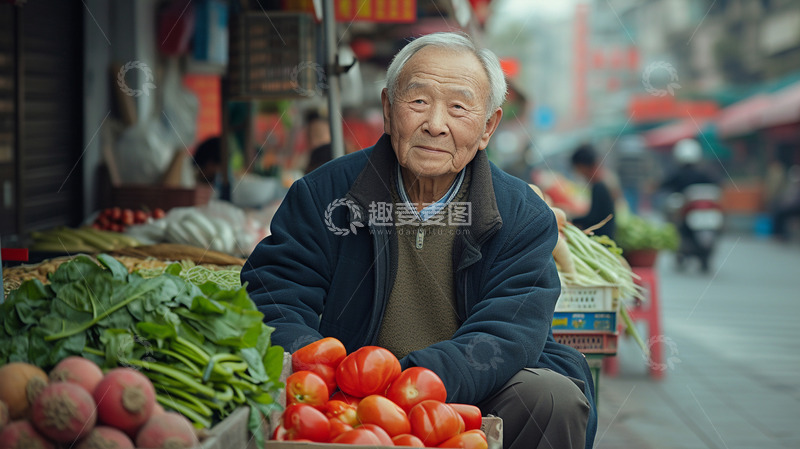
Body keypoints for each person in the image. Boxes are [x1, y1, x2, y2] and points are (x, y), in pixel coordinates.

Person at [241, 32, 596, 449]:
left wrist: (407, 382)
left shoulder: (522, 214)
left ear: (488, 126)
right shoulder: (325, 195)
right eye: (419, 101)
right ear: (388, 109)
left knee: (551, 398)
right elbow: (274, 296)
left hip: (475, 390)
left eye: (459, 107)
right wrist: (330, 375)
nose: (436, 124)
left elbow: (508, 331)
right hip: (348, 393)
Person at [570, 144, 616, 238]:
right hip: (606, 236)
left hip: (602, 237)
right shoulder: (602, 183)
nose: (578, 173)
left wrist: (571, 220)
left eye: (578, 169)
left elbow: (593, 218)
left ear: (582, 166)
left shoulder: (599, 186)